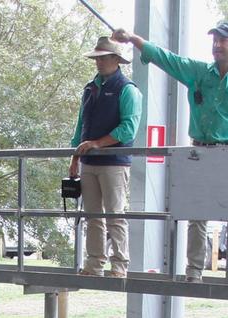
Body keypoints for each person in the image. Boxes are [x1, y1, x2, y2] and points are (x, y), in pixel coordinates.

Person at [113, 23, 228, 286]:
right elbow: (168, 59)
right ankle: (194, 271)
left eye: (223, 40)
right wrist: (135, 39)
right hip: (200, 152)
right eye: (214, 40)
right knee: (197, 215)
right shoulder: (198, 72)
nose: (217, 45)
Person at [71, 36, 143, 279]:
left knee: (114, 214)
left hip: (113, 162)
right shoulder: (90, 88)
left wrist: (97, 144)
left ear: (115, 59)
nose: (99, 62)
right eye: (97, 58)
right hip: (89, 162)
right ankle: (94, 263)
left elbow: (128, 129)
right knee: (93, 216)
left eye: (103, 58)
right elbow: (81, 125)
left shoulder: (127, 90)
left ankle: (119, 264)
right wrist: (75, 157)